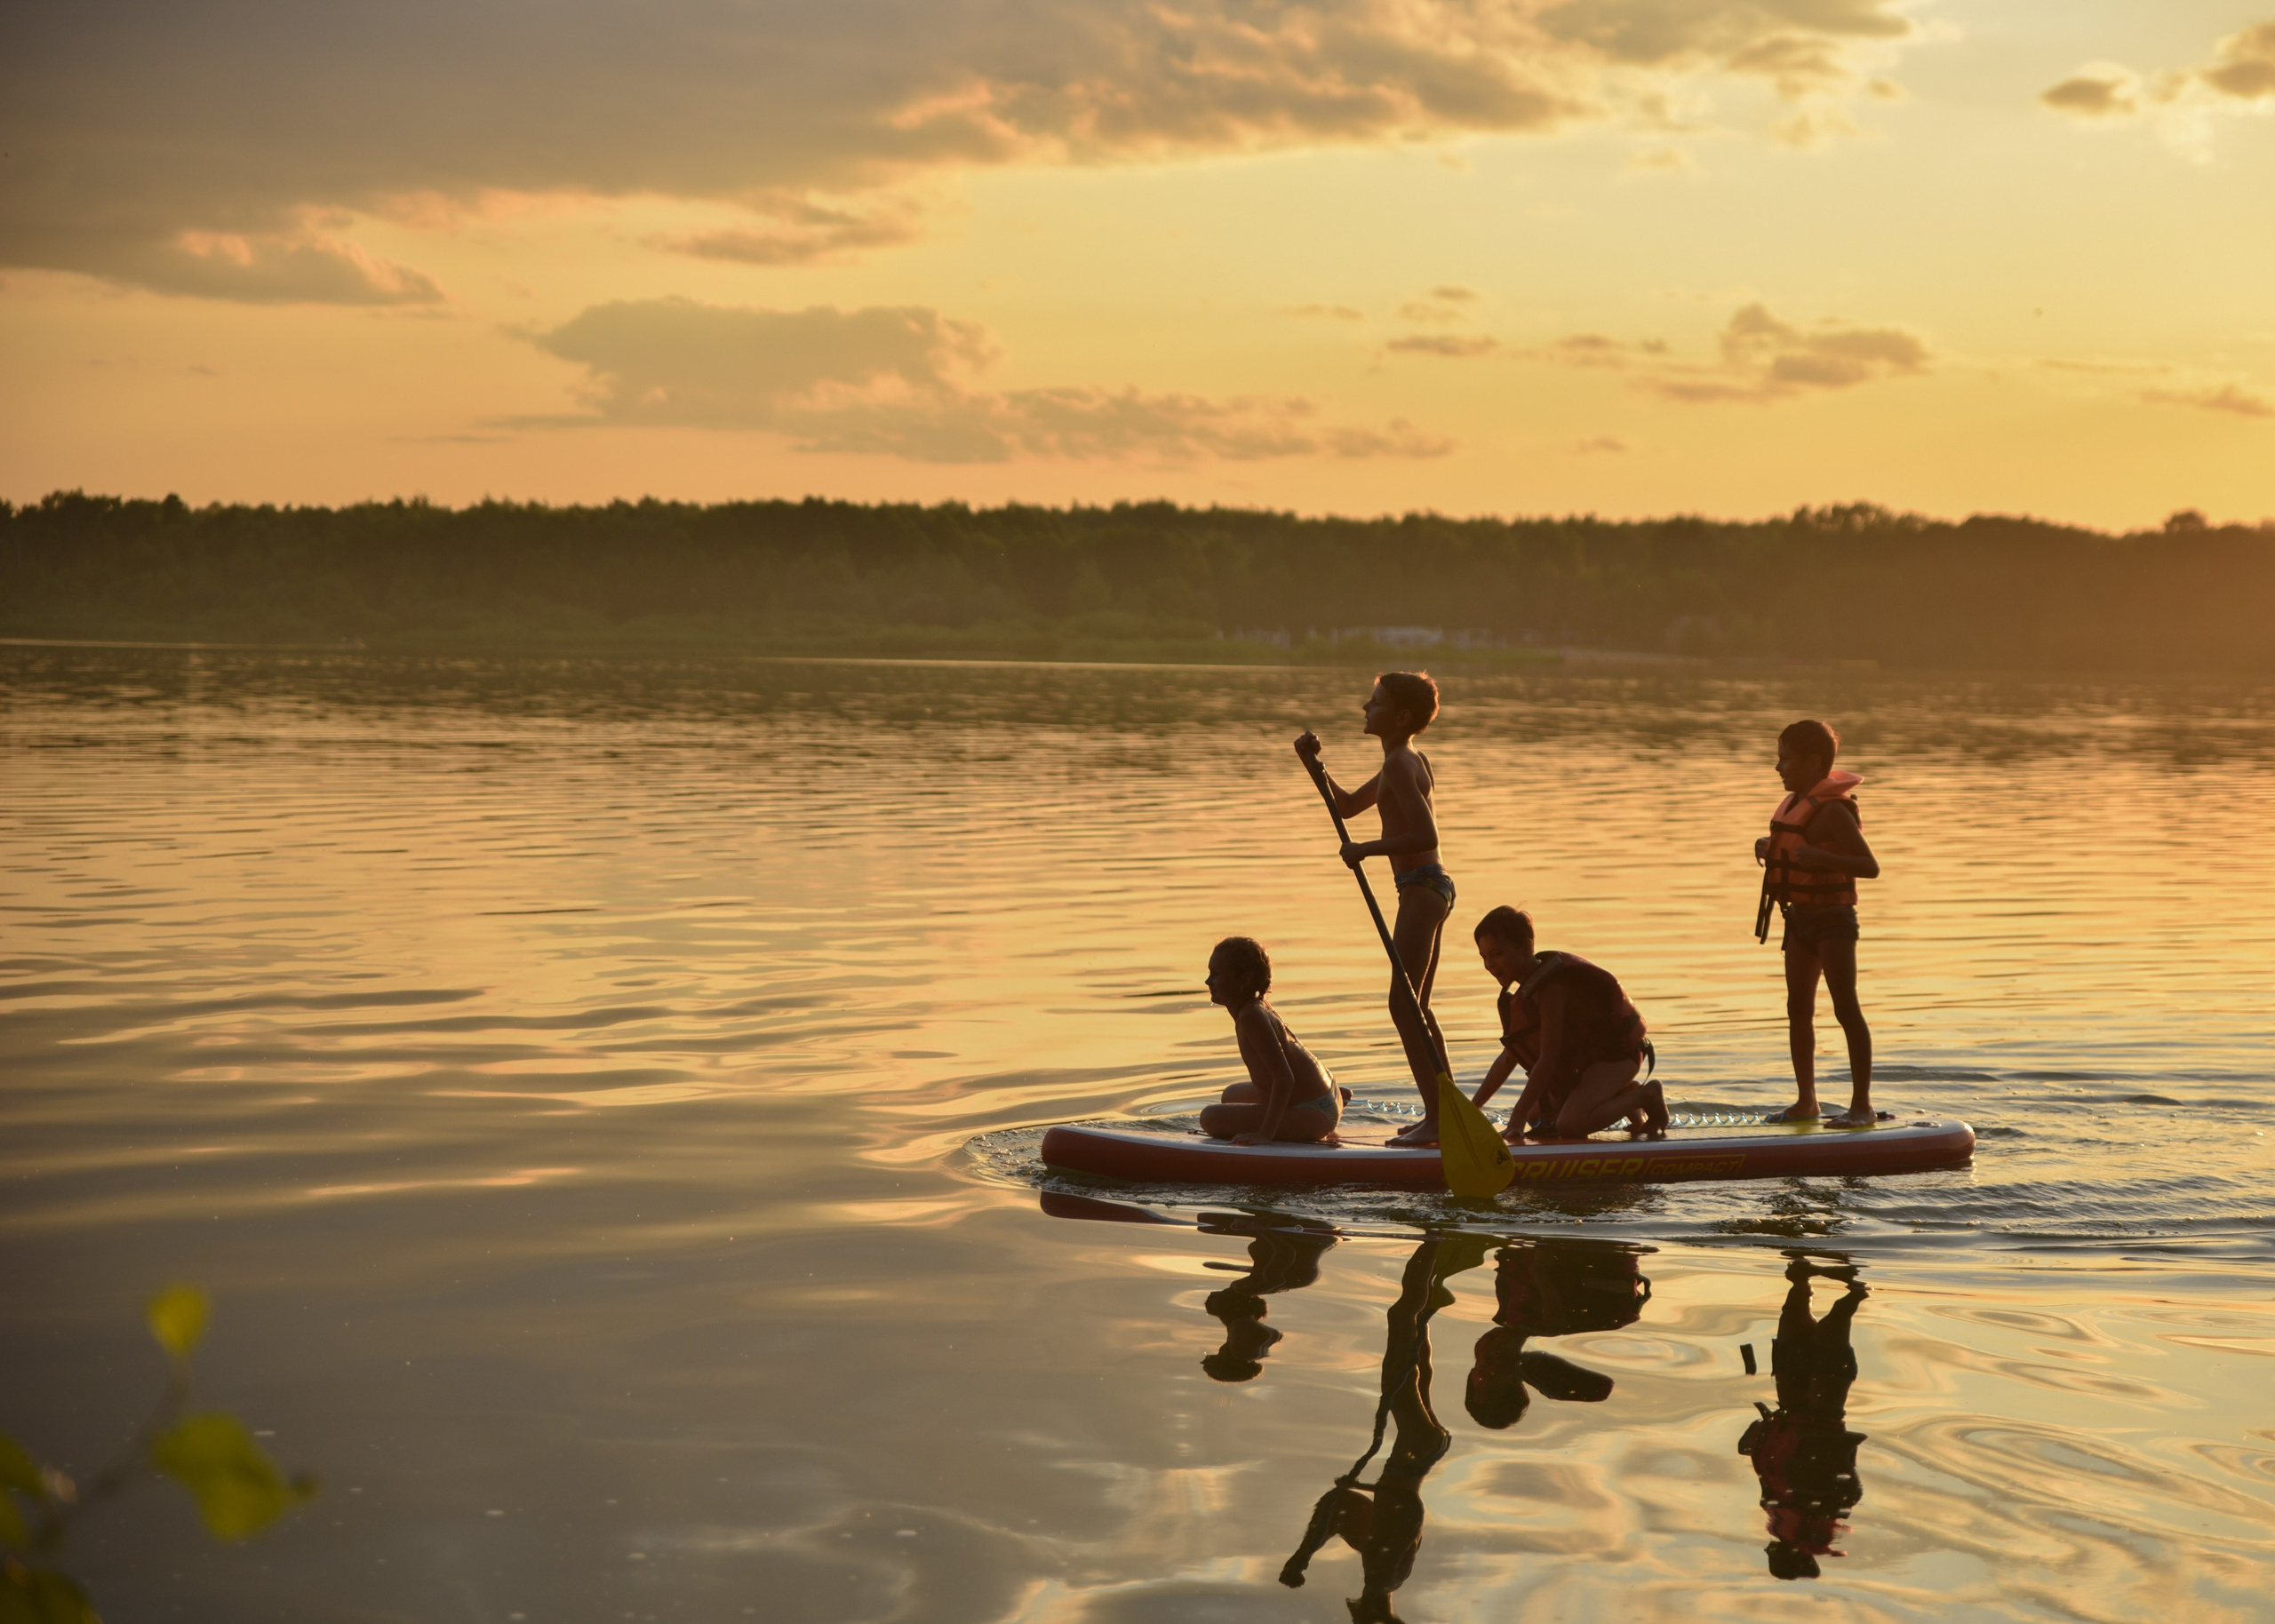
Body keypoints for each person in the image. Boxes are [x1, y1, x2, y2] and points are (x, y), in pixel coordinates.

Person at [1295, 672, 1452, 1146]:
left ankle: (1441, 1122)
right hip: (1428, 889)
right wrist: (1313, 764)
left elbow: (1427, 837)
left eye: (1376, 701)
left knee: (1402, 1005)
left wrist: (1365, 850)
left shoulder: (1404, 763)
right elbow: (1344, 807)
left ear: (1402, 716)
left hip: (1423, 889)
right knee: (1417, 1006)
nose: (1366, 706)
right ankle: (1444, 1113)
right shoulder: (1398, 762)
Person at [1758, 720, 1881, 1126]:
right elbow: (1793, 849)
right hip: (1799, 921)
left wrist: (1824, 859)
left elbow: (1869, 866)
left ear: (1814, 763)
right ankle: (1806, 1102)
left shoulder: (1832, 812)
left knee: (1846, 1008)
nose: (1778, 768)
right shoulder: (1796, 806)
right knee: (1798, 1009)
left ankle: (1861, 1106)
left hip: (1833, 922)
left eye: (1785, 760)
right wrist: (1770, 847)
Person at [1468, 906, 1665, 1141]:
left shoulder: (1552, 990)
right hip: (1591, 1063)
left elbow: (1549, 1058)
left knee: (1570, 1125)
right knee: (1539, 1118)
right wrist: (1473, 1108)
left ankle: (1646, 1096)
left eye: (1497, 954)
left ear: (1526, 947)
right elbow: (1509, 1056)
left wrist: (1516, 1118)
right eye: (1484, 957)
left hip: (1617, 1057)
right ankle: (1624, 1093)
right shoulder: (1527, 993)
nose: (1490, 964)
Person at [1737, 1254, 1871, 1580]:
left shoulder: (1783, 1521)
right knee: (1826, 1342)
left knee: (1797, 1331)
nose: (1771, 1548)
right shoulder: (1814, 1523)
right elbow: (1840, 1482)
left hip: (1792, 1414)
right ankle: (1855, 1288)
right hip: (1819, 1417)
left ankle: (1807, 1278)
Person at [1198, 936, 1343, 1145]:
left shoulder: (1251, 1016)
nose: (1208, 982)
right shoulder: (1254, 1008)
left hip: (1315, 1114)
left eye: (1216, 974)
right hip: (1325, 1097)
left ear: (1244, 981)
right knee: (1229, 1095)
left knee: (1210, 1118)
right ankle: (1326, 1103)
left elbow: (1285, 1079)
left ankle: (1302, 1121)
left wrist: (1265, 1134)